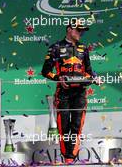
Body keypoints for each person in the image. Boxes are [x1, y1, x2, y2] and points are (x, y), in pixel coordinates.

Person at [41, 20, 99, 164]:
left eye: (82, 30)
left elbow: (89, 71)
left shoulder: (83, 49)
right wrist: (58, 79)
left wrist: (94, 78)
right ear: (69, 29)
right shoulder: (55, 47)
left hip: (80, 92)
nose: (81, 33)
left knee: (77, 125)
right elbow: (45, 71)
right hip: (63, 93)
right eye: (78, 30)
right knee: (64, 126)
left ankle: (70, 159)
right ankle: (66, 157)